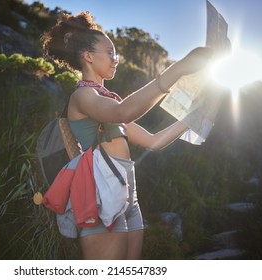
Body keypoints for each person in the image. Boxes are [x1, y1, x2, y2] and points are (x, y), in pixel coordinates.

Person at [41, 11, 213, 260]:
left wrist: (193, 118)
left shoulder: (107, 100)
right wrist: (180, 69)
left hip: (127, 194)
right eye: (109, 52)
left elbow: (153, 141)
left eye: (116, 53)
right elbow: (124, 110)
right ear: (88, 56)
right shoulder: (83, 96)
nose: (115, 59)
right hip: (100, 194)